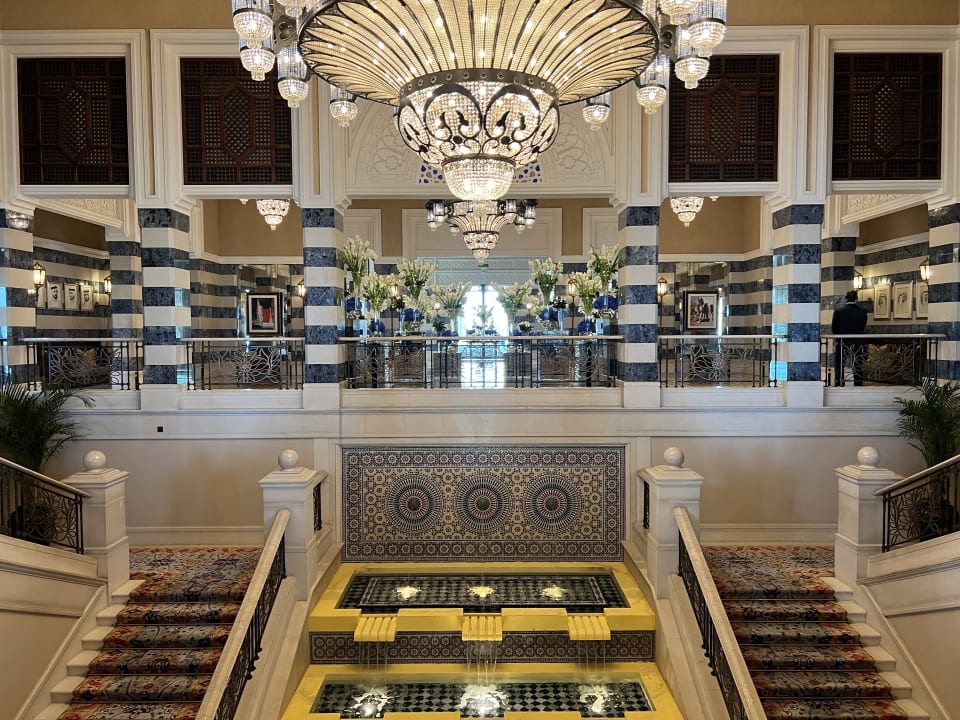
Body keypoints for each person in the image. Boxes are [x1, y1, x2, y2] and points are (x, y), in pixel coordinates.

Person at [831, 290, 868, 386]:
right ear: (856, 299)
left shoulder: (839, 311)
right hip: (857, 341)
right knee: (858, 363)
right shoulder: (862, 312)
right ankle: (858, 382)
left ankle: (839, 381)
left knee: (840, 363)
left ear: (846, 298)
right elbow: (862, 326)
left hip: (842, 341)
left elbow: (834, 328)